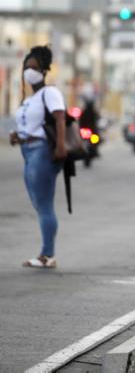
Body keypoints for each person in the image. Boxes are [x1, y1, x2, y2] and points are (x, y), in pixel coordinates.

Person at [9, 45, 67, 269]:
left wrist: (60, 147)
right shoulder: (29, 99)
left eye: (32, 68)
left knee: (44, 205)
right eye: (26, 67)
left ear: (43, 71)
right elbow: (31, 125)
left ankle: (47, 255)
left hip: (42, 151)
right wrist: (18, 136)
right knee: (39, 203)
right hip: (28, 150)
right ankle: (46, 253)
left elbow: (60, 118)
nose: (28, 72)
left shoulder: (49, 93)